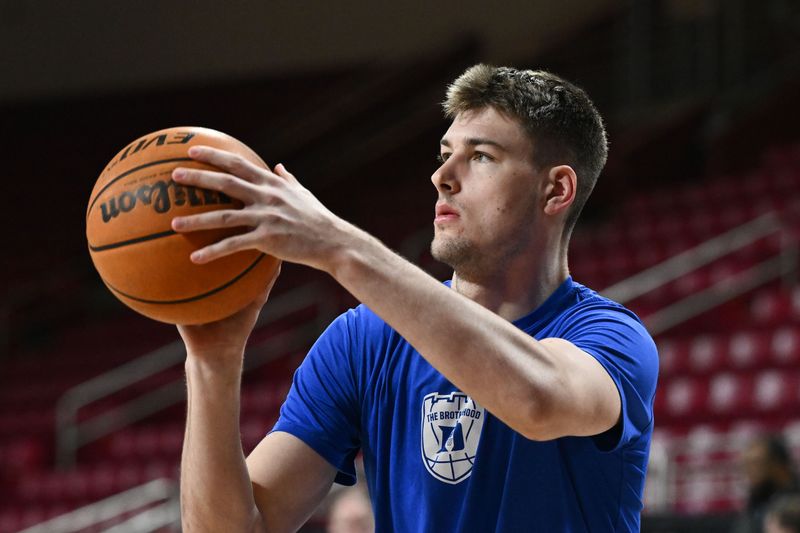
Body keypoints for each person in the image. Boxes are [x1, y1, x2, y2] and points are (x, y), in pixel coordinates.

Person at [173, 64, 659, 532]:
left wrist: (340, 246)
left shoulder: (611, 339)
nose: (443, 176)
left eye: (481, 156)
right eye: (444, 153)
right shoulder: (363, 340)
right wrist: (212, 362)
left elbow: (537, 401)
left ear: (556, 189)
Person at [733, 435, 800, 533]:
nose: (749, 471)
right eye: (746, 465)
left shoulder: (795, 498)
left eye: (755, 463)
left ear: (778, 464)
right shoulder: (757, 498)